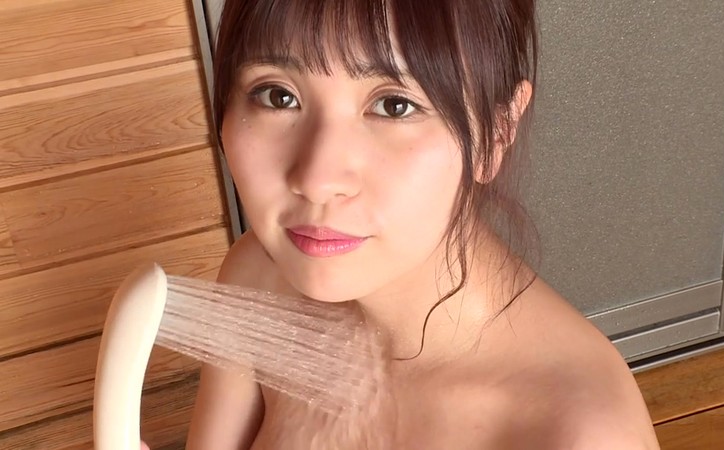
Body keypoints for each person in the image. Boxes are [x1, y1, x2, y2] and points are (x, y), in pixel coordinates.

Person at [175, 0, 661, 448]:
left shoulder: (576, 434)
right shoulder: (258, 282)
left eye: (395, 105)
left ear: (496, 132)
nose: (318, 181)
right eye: (278, 95)